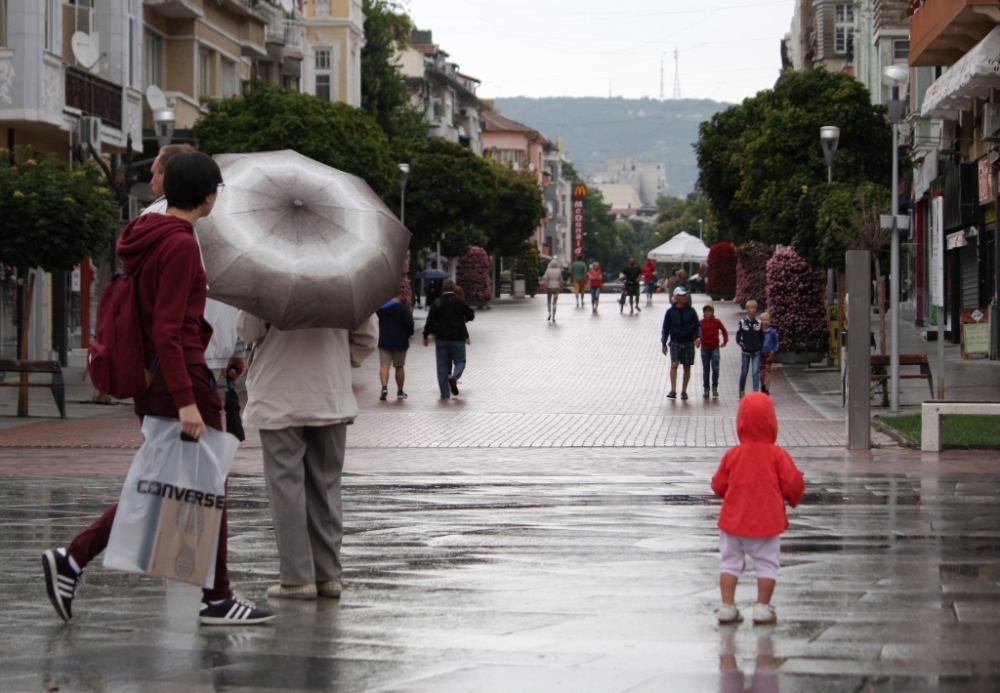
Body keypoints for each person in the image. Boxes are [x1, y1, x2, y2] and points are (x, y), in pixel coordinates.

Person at [43, 152, 275, 626]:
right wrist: (190, 401)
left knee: (173, 487)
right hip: (181, 383)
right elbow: (170, 329)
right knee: (200, 486)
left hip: (166, 381)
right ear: (207, 195)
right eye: (216, 189)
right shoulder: (180, 243)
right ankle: (215, 597)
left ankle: (78, 560)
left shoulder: (150, 235)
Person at [237, 309, 377, 602]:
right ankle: (328, 575)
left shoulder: (268, 271)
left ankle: (296, 578)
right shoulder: (344, 275)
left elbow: (248, 330)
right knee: (326, 484)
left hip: (278, 394)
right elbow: (366, 337)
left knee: (286, 486)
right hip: (330, 390)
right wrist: (339, 358)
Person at [143, 144, 246, 387]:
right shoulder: (193, 230)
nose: (151, 180)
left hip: (178, 352)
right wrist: (237, 346)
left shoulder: (151, 221)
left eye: (155, 172)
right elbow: (234, 281)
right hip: (189, 351)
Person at [711, 393, 804, 624]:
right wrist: (792, 499)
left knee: (730, 562)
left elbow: (719, 484)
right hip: (766, 521)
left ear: (740, 422)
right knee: (767, 563)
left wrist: (727, 494)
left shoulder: (733, 454)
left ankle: (727, 606)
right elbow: (793, 483)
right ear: (772, 422)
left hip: (733, 521)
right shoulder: (777, 455)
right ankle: (762, 607)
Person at [423, 279, 475, 399]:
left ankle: (445, 393)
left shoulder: (438, 302)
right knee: (460, 361)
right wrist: (466, 317)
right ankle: (454, 377)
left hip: (441, 338)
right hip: (457, 337)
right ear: (453, 289)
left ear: (442, 289)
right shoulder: (459, 302)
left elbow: (430, 319)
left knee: (442, 365)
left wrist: (426, 335)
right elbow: (471, 314)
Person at [661, 286, 701, 400]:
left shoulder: (691, 311)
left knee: (687, 366)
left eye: (686, 295)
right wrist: (664, 342)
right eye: (682, 295)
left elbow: (697, 325)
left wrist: (698, 337)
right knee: (674, 364)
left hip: (688, 341)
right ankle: (673, 390)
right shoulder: (670, 312)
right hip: (675, 341)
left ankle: (684, 391)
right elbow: (665, 328)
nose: (685, 297)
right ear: (676, 297)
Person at [376, 293, 414, 400]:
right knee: (399, 366)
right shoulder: (403, 308)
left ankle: (384, 387)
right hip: (400, 341)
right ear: (398, 296)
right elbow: (409, 323)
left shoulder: (381, 308)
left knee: (384, 365)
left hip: (384, 340)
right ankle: (400, 391)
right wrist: (410, 332)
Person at [700, 304, 729, 398]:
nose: (708, 313)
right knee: (706, 369)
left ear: (713, 312)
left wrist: (725, 341)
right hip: (704, 348)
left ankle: (715, 387)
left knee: (715, 368)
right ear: (704, 312)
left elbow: (724, 331)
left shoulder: (717, 322)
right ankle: (706, 389)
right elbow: (696, 332)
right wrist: (696, 339)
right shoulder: (701, 322)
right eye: (706, 311)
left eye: (710, 311)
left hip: (715, 348)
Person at [736, 300, 764, 398]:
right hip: (746, 352)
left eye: (755, 308)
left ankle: (755, 392)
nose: (753, 309)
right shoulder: (742, 322)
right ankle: (741, 390)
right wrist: (743, 345)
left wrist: (760, 346)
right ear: (747, 309)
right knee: (744, 371)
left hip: (756, 351)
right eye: (751, 308)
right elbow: (738, 337)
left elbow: (762, 337)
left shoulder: (759, 323)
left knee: (755, 372)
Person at [759, 312, 779, 396]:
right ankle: (763, 385)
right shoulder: (759, 332)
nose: (766, 322)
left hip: (769, 354)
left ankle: (767, 390)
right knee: (761, 373)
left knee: (767, 372)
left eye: (767, 320)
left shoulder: (772, 332)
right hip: (760, 354)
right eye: (764, 320)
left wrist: (774, 350)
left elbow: (776, 343)